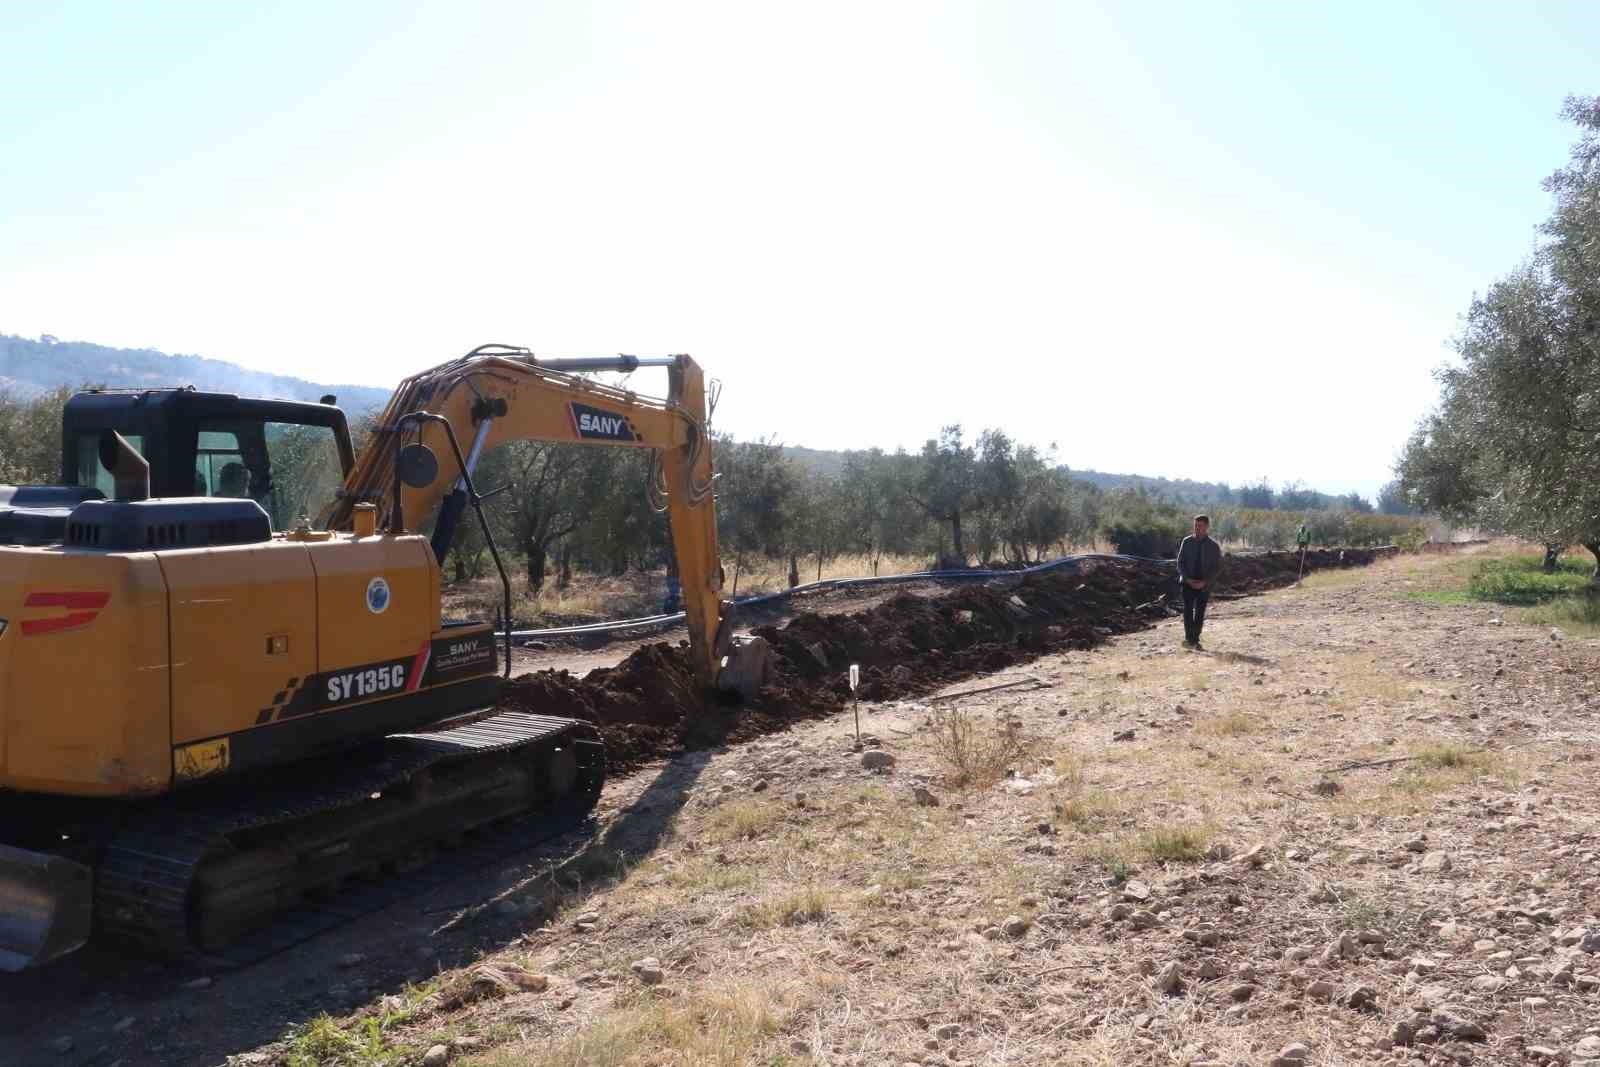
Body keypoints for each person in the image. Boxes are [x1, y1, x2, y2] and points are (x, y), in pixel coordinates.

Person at [1176, 514, 1222, 650]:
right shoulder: (1187, 541)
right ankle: (1189, 638)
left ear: (1207, 527)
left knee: (1200, 612)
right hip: (1187, 582)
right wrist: (1187, 579)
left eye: (1200, 525)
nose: (1197, 528)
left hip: (1204, 585)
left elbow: (1217, 567)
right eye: (1195, 525)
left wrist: (1205, 582)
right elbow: (1180, 562)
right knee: (1188, 610)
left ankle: (1195, 639)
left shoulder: (1213, 546)